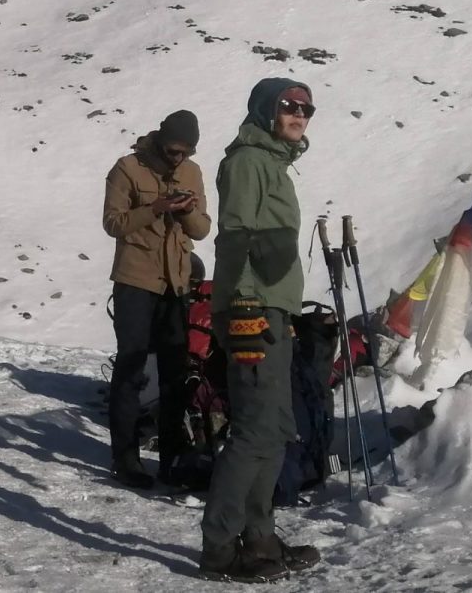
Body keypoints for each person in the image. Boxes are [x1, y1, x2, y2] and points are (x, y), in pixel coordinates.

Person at [198, 79, 323, 582]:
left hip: (273, 308)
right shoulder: (248, 161)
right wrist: (246, 308)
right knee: (252, 433)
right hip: (254, 308)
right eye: (288, 106)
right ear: (264, 111)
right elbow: (235, 237)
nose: (299, 114)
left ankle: (260, 539)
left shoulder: (272, 162)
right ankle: (219, 549)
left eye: (306, 108)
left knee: (273, 431)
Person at [102, 110, 211, 489]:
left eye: (186, 152)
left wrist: (187, 211)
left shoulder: (192, 172)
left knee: (175, 375)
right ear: (160, 140)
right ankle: (125, 457)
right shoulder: (127, 168)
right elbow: (113, 223)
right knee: (131, 369)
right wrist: (156, 209)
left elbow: (203, 230)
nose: (178, 158)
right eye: (173, 150)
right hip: (135, 280)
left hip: (176, 285)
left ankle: (172, 457)